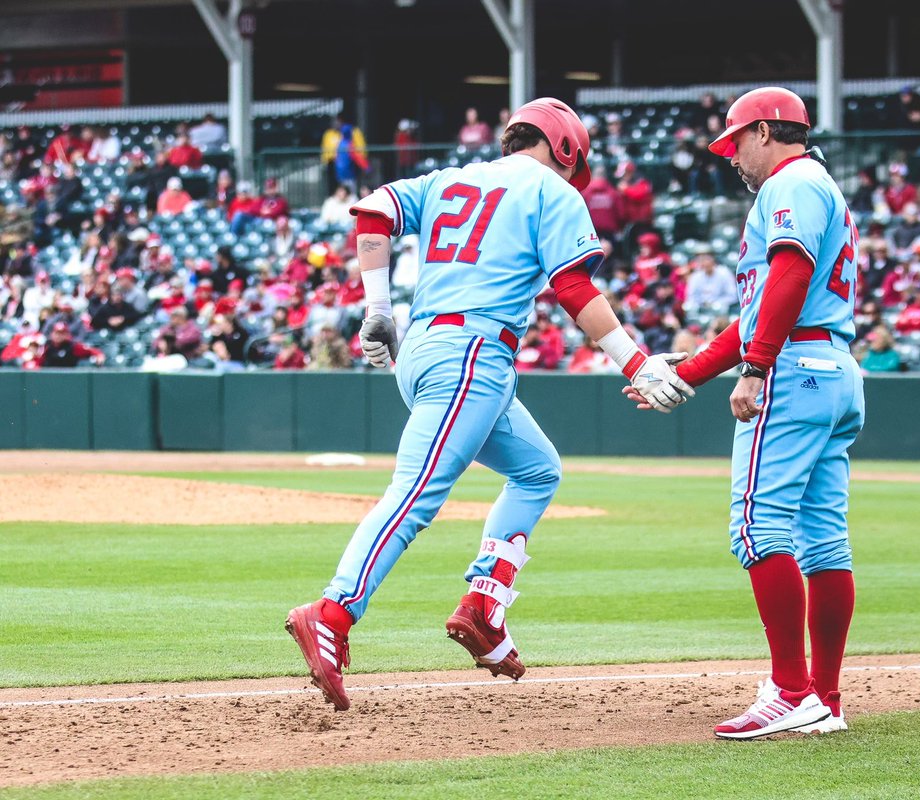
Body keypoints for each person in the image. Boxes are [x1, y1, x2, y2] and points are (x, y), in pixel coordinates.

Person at [284, 97, 693, 712]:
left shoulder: (449, 178)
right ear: (565, 149)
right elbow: (574, 286)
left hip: (433, 347)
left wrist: (376, 308)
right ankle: (332, 612)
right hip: (471, 353)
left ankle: (482, 606)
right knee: (415, 495)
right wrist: (636, 361)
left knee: (537, 470)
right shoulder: (552, 191)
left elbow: (372, 214)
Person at [627, 87, 861, 739]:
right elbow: (757, 311)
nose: (732, 157)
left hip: (793, 370)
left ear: (764, 131)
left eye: (735, 143)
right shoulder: (813, 186)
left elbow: (787, 273)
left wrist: (756, 367)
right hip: (830, 365)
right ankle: (824, 699)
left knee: (758, 530)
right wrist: (687, 374)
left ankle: (791, 691)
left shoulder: (790, 183)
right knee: (823, 540)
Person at [38, 321, 104, 368]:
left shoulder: (72, 346)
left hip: (67, 379)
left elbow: (91, 350)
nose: (59, 336)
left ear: (67, 335)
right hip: (48, 378)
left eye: (62, 333)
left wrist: (99, 355)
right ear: (52, 334)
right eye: (57, 333)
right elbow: (39, 360)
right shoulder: (47, 346)